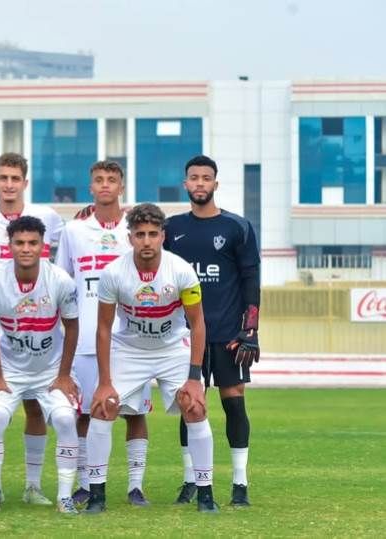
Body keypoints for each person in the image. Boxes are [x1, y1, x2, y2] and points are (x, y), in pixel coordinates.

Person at [85, 203, 219, 514]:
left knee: (195, 407)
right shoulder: (113, 273)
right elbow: (103, 328)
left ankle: (205, 494)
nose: (147, 241)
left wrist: (194, 378)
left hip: (171, 349)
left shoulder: (181, 271)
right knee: (103, 407)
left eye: (153, 234)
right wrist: (104, 382)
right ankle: (96, 496)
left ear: (163, 236)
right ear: (130, 237)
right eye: (140, 234)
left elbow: (198, 324)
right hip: (129, 349)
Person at [0, 152, 63, 506]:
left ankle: (33, 486)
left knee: (36, 407)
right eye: (3, 178)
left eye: (15, 178)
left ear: (25, 182)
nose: (9, 185)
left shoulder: (47, 218)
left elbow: (71, 242)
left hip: (36, 329)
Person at [164, 155, 260, 507]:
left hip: (228, 334)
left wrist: (251, 329)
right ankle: (190, 480)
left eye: (206, 178)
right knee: (189, 401)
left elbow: (251, 280)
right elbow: (138, 242)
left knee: (234, 403)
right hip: (186, 335)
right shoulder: (171, 228)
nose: (200, 183)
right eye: (194, 177)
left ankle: (240, 483)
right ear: (185, 184)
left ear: (215, 184)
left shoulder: (237, 227)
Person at [55, 160, 151, 507]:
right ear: (91, 187)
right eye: (99, 180)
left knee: (135, 412)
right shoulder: (74, 230)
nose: (106, 185)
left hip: (129, 338)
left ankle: (136, 486)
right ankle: (86, 483)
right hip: (84, 336)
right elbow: (63, 282)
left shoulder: (136, 228)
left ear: (121, 186)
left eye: (112, 179)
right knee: (84, 411)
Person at [0, 216, 81, 515]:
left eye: (32, 243)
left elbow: (72, 327)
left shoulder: (60, 280)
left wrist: (64, 375)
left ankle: (64, 497)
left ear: (43, 246)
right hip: (10, 372)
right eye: (19, 243)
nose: (26, 248)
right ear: (9, 246)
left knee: (65, 419)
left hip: (50, 371)